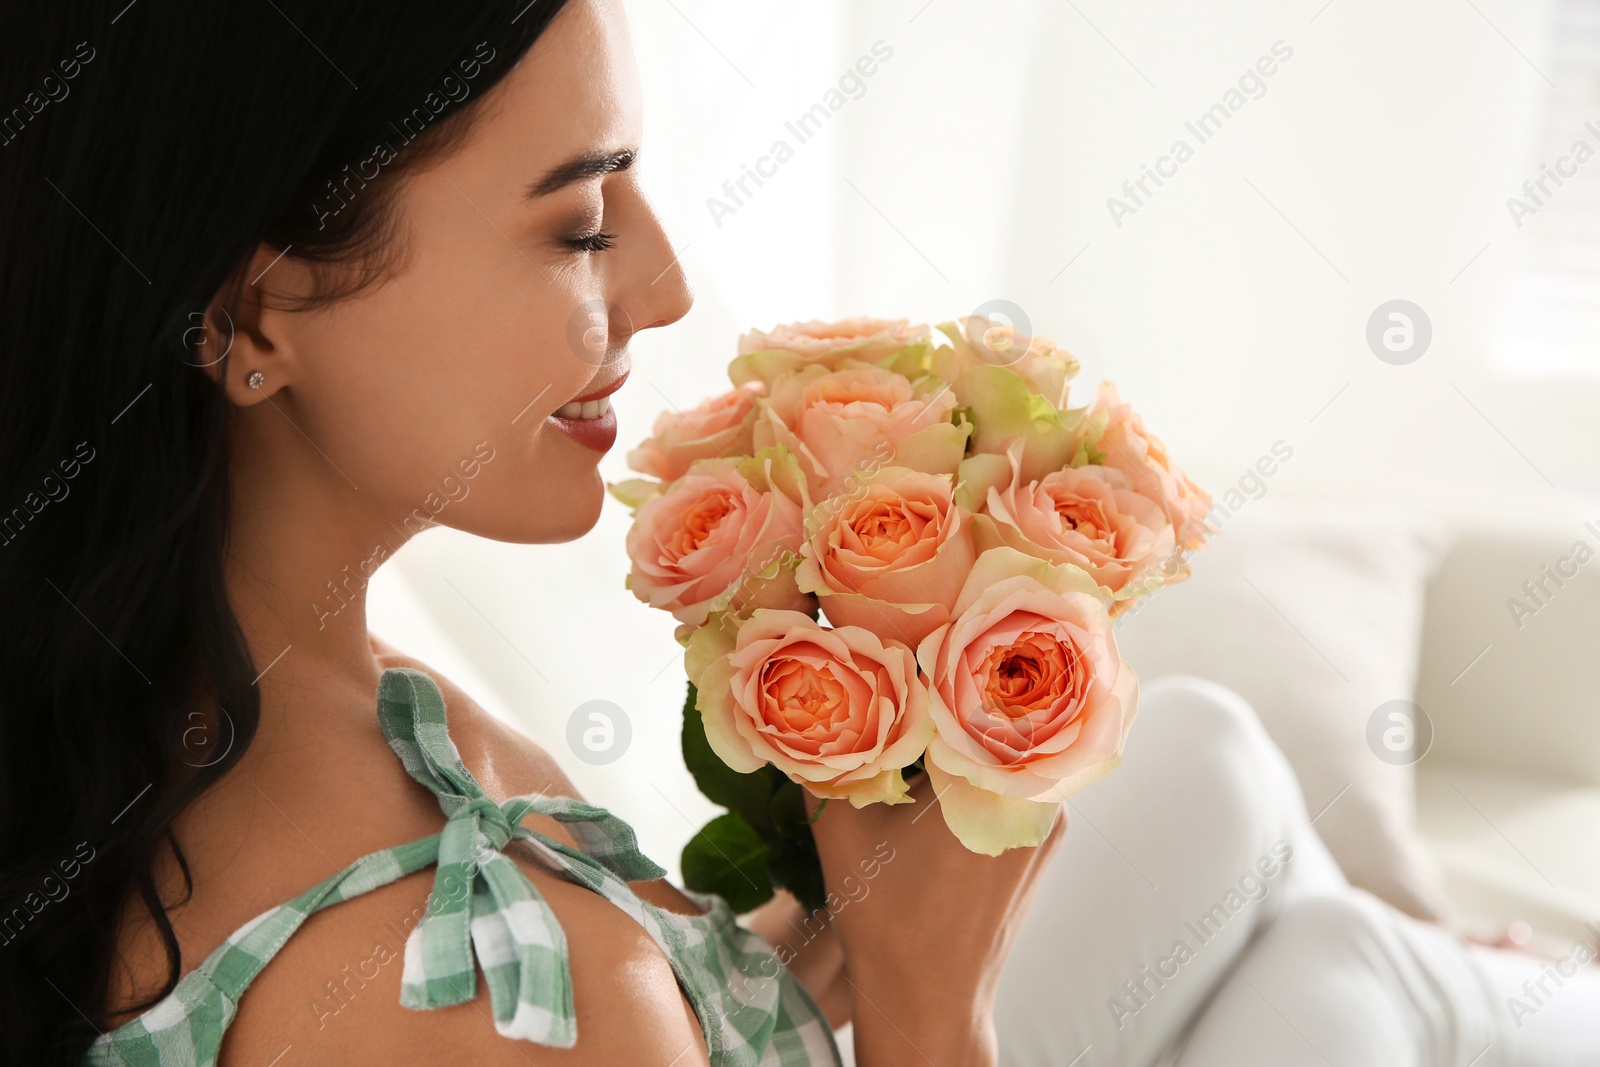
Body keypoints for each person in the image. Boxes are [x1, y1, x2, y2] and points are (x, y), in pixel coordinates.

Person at [0, 1, 1060, 1064]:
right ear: (257, 315)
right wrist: (933, 1011)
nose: (667, 289)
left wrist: (849, 933)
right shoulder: (509, 1001)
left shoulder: (222, 704)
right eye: (580, 223)